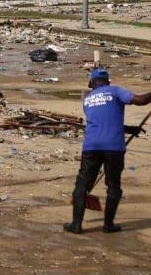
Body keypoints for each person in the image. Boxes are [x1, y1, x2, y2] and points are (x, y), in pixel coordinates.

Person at [63, 69, 151, 234]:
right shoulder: (115, 91)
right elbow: (140, 100)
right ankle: (108, 225)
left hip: (92, 146)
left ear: (92, 84)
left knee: (82, 184)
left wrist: (129, 129)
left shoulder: (87, 99)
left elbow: (101, 122)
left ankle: (76, 224)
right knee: (113, 186)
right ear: (107, 82)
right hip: (113, 147)